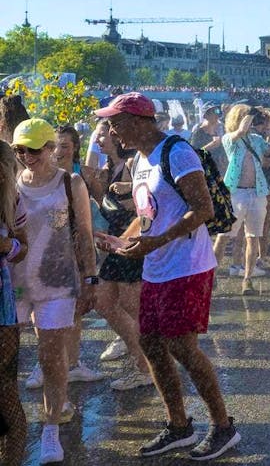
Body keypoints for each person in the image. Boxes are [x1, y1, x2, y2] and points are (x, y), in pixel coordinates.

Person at [93, 93, 241, 460]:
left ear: (142, 121)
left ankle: (223, 427)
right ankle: (179, 426)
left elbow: (203, 209)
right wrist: (121, 241)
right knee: (153, 345)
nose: (111, 130)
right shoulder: (140, 160)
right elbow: (148, 216)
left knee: (182, 348)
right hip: (157, 266)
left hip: (188, 266)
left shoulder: (177, 152)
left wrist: (157, 240)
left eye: (116, 122)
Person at [10, 119, 98, 464]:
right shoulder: (11, 184)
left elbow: (85, 234)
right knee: (7, 358)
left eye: (34, 149)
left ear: (51, 148)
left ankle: (50, 430)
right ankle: (15, 424)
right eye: (20, 150)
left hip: (58, 283)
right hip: (15, 285)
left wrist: (91, 278)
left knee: (50, 358)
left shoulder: (70, 183)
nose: (27, 156)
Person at [90, 119, 154, 390]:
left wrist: (129, 194)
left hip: (129, 242)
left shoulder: (131, 165)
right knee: (104, 301)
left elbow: (147, 203)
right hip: (114, 243)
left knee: (132, 305)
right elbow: (89, 171)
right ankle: (137, 351)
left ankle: (146, 367)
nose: (99, 139)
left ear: (117, 138)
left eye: (103, 134)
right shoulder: (110, 168)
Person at [213, 104, 270, 295]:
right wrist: (251, 114)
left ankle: (247, 279)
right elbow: (239, 131)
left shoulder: (256, 139)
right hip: (235, 192)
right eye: (246, 117)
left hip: (256, 192)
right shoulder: (229, 139)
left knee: (253, 236)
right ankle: (211, 274)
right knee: (223, 236)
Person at [0, 141, 26, 465]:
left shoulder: (12, 201)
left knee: (6, 390)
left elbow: (25, 248)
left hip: (2, 309)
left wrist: (9, 244)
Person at [189, 103, 227, 176]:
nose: (217, 116)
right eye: (214, 112)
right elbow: (194, 154)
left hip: (218, 171)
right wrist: (211, 145)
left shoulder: (218, 131)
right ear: (206, 115)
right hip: (204, 171)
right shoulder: (199, 132)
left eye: (218, 113)